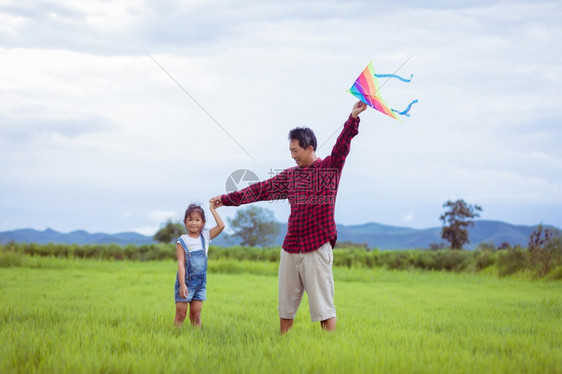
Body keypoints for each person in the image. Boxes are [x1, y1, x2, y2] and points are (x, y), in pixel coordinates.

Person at [211, 100, 368, 334]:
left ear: (310, 148)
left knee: (324, 308)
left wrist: (353, 118)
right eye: (290, 151)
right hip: (291, 247)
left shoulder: (329, 169)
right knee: (285, 307)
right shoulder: (290, 176)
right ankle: (283, 346)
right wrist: (227, 199)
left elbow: (342, 146)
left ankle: (332, 352)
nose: (293, 155)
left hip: (316, 247)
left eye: (295, 150)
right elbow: (260, 190)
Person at [174, 202, 225, 328]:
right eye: (190, 219)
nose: (194, 223)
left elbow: (221, 226)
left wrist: (212, 209)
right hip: (186, 282)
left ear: (203, 222)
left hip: (200, 284)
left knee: (196, 315)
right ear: (185, 221)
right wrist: (182, 285)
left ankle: (196, 337)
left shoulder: (205, 237)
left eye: (197, 220)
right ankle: (174, 335)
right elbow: (181, 264)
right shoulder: (183, 240)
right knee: (181, 314)